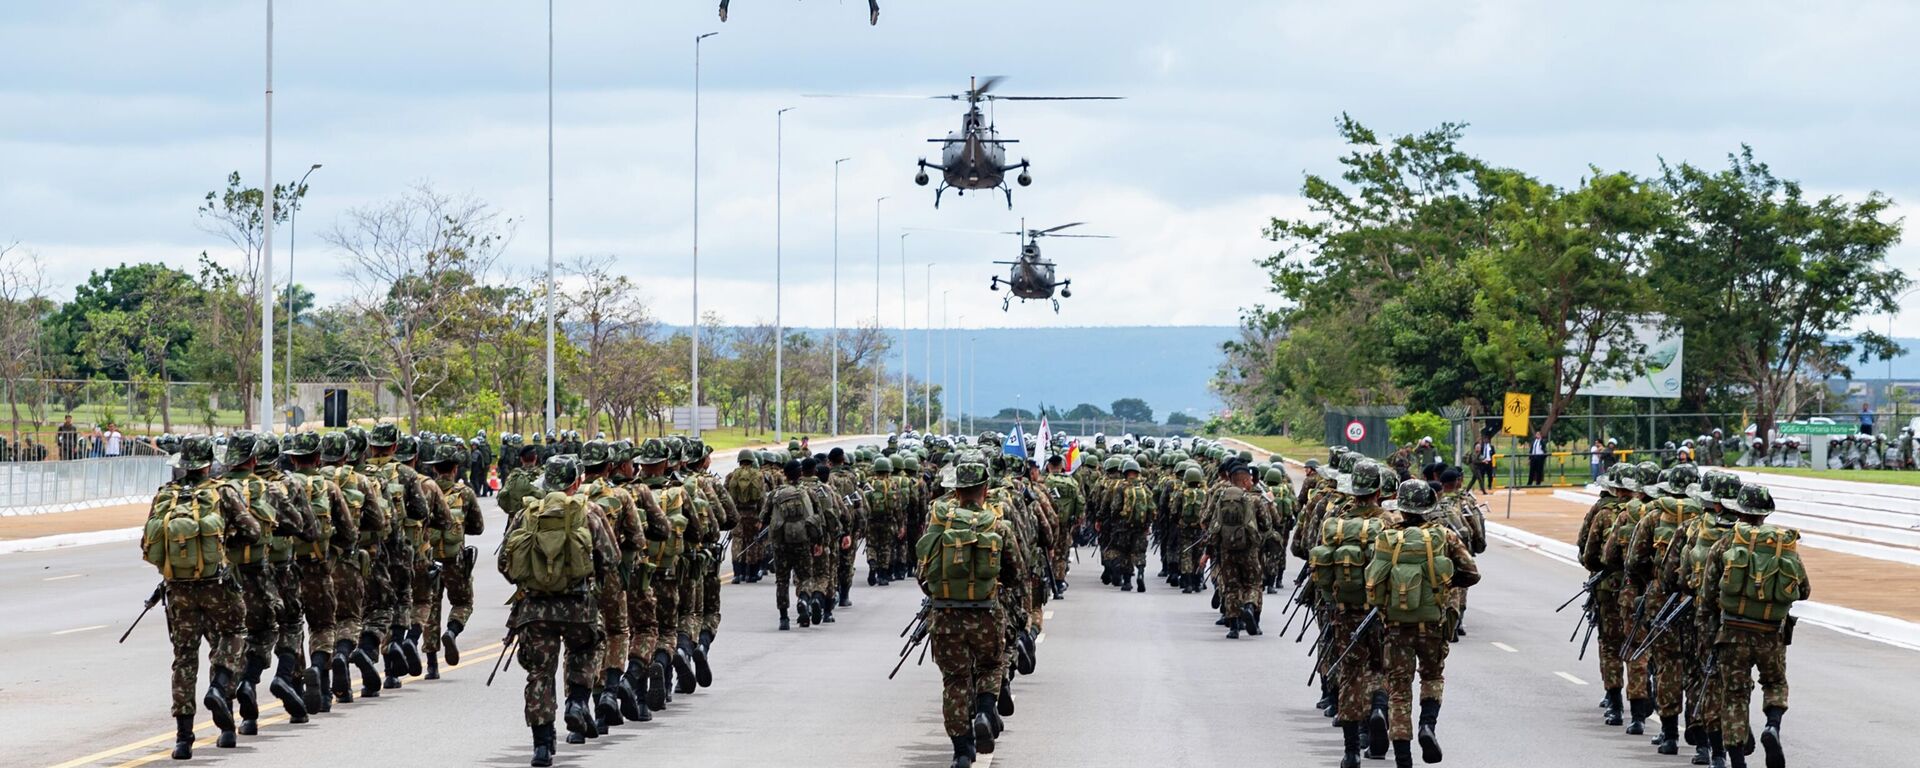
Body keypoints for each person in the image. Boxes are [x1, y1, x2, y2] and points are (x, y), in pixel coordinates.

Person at [139, 434, 259, 758]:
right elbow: (253, 532)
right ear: (209, 463)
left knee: (184, 656)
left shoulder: (165, 495)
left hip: (178, 590)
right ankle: (221, 694)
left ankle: (183, 738)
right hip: (217, 585)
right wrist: (222, 540)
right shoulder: (222, 492)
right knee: (234, 634)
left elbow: (147, 543)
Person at [500, 455, 622, 766]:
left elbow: (506, 563)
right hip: (578, 606)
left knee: (539, 674)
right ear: (576, 482)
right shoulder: (589, 511)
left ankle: (542, 746)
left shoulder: (526, 513)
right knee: (586, 648)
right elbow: (611, 558)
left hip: (535, 610)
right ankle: (578, 703)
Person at [918, 455, 1022, 768]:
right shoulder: (998, 524)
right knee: (991, 665)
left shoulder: (938, 523)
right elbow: (1016, 572)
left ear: (957, 490)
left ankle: (962, 750)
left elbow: (923, 572)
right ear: (985, 488)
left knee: (954, 680)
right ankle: (986, 710)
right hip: (987, 612)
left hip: (946, 614)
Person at [1376, 479, 1480, 767]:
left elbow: (1373, 581)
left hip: (1396, 625)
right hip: (1433, 623)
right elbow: (1471, 573)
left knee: (1398, 688)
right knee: (1432, 677)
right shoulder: (1444, 536)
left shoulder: (1386, 538)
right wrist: (1443, 585)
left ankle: (1402, 757)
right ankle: (1427, 726)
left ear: (1402, 508)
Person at [1702, 484, 1807, 768]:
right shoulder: (1783, 544)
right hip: (1770, 634)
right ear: (1764, 513)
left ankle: (1737, 761)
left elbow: (1708, 596)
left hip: (1732, 633)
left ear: (1739, 509)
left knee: (1734, 695)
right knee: (1774, 683)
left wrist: (1710, 636)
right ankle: (1772, 726)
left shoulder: (1724, 544)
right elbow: (1804, 589)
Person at [1205, 460, 1266, 638]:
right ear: (1247, 480)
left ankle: (1233, 627)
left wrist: (1211, 548)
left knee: (1232, 586)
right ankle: (1249, 606)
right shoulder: (1254, 499)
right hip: (1249, 550)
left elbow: (1213, 523)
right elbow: (1267, 523)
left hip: (1226, 550)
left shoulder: (1222, 498)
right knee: (1253, 583)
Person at [766, 458, 822, 630]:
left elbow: (764, 517)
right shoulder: (808, 492)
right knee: (805, 576)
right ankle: (804, 600)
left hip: (781, 543)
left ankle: (783, 618)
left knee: (782, 580)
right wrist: (818, 540)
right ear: (800, 473)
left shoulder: (775, 494)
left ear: (785, 474)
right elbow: (818, 517)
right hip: (802, 541)